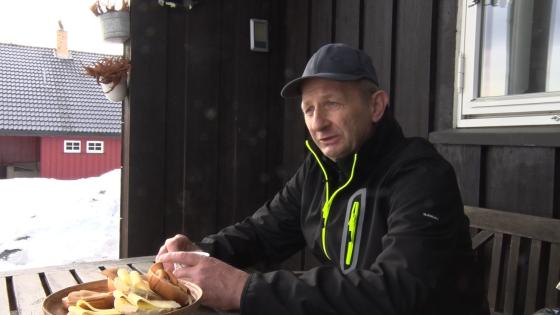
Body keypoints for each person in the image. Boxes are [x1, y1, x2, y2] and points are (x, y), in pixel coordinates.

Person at [156, 43, 489, 315]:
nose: (318, 124)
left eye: (332, 104)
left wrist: (244, 289)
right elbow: (263, 231)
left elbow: (397, 289)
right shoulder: (320, 170)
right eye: (309, 109)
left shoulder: (421, 175)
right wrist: (202, 252)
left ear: (376, 106)